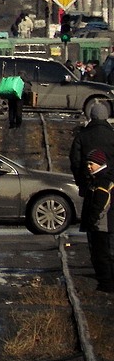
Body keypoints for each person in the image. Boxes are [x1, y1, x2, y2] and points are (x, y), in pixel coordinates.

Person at [79, 148, 114, 293]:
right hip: (101, 224)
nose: (88, 166)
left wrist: (92, 220)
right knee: (102, 254)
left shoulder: (102, 182)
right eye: (87, 163)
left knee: (101, 255)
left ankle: (106, 285)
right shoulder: (97, 179)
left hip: (102, 225)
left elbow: (101, 204)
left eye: (91, 164)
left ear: (100, 164)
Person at [70, 102, 114, 195]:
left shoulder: (81, 136)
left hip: (88, 183)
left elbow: (75, 161)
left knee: (89, 208)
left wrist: (80, 181)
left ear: (91, 116)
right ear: (106, 116)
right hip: (110, 185)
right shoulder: (112, 135)